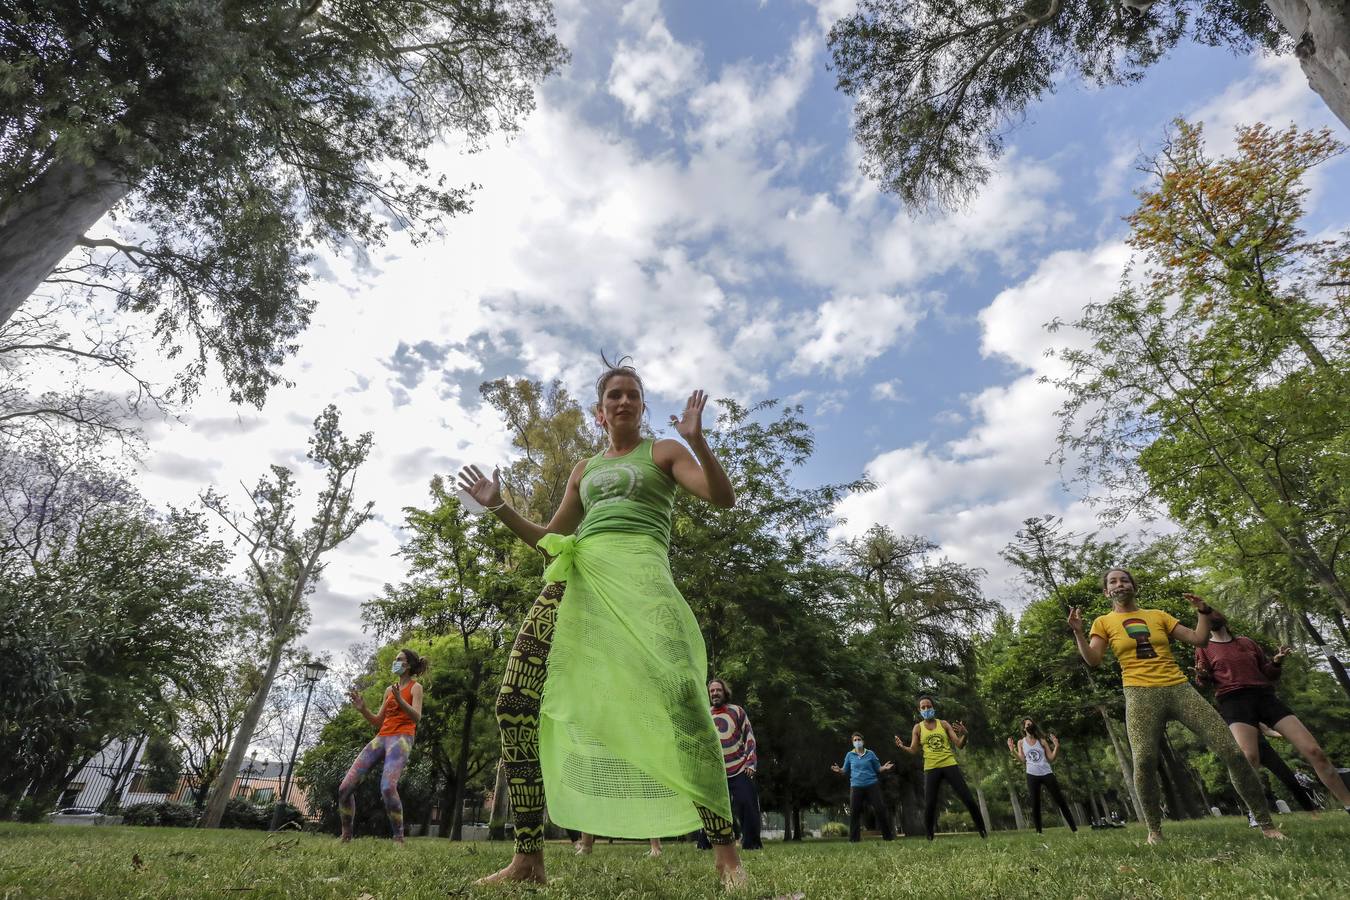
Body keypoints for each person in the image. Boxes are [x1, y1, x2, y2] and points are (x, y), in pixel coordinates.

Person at [458, 360, 744, 888]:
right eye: (614, 395)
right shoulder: (582, 470)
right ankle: (527, 860)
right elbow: (547, 534)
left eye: (632, 394)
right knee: (515, 700)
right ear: (600, 411)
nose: (623, 401)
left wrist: (699, 442)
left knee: (683, 699)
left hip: (641, 581)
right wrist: (498, 506)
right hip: (578, 579)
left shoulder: (664, 451)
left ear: (642, 406)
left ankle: (727, 856)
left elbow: (722, 499)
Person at [1068, 568, 1284, 844]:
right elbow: (1094, 660)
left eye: (1124, 580)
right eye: (1113, 582)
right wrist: (1078, 633)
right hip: (1139, 693)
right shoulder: (1103, 622)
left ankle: (1266, 824)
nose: (1119, 584)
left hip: (1178, 688)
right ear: (1106, 591)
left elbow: (1198, 639)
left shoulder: (1158, 615)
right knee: (1144, 760)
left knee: (1231, 750)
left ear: (1134, 586)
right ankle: (1154, 831)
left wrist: (1203, 613)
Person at [1194, 614, 1350, 816]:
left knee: (1314, 751)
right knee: (1249, 757)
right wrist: (1203, 676)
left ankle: (1347, 803)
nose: (1211, 618)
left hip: (1265, 697)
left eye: (1213, 613)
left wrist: (1276, 662)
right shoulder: (1203, 647)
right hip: (1234, 702)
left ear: (1224, 619)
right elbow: (1203, 682)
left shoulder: (1246, 643)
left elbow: (1268, 673)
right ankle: (1256, 814)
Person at [339, 648, 426, 843]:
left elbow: (417, 717)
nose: (395, 662)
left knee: (387, 787)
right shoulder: (389, 690)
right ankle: (346, 835)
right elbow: (378, 721)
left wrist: (400, 699)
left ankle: (398, 838)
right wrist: (363, 710)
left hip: (402, 738)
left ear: (408, 665)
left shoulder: (415, 687)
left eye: (399, 659)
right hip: (382, 737)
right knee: (345, 788)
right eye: (395, 659)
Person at [894, 696, 987, 840]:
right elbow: (913, 750)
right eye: (923, 707)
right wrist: (902, 747)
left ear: (933, 707)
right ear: (919, 710)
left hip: (949, 764)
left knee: (968, 798)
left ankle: (983, 831)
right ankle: (929, 837)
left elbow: (959, 744)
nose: (926, 709)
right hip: (931, 768)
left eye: (928, 706)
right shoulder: (918, 728)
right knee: (930, 804)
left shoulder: (943, 724)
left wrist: (965, 734)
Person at [697, 678, 763, 851]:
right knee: (710, 808)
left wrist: (750, 763)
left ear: (725, 692)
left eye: (718, 690)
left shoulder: (737, 711)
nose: (715, 693)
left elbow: (749, 737)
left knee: (747, 803)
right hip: (715, 772)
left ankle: (752, 843)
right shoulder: (706, 714)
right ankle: (705, 844)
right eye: (711, 691)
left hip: (739, 767)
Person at [1007, 718, 1077, 834]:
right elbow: (1022, 760)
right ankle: (1039, 832)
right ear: (1024, 728)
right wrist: (1012, 751)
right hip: (1032, 775)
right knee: (1035, 804)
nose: (1030, 725)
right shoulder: (1021, 742)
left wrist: (1057, 746)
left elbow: (1051, 758)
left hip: (1047, 773)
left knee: (1060, 801)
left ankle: (1074, 830)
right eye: (1028, 724)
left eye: (1032, 724)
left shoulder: (1042, 741)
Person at [830, 732, 896, 841]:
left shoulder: (870, 754)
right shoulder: (849, 755)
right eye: (855, 740)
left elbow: (878, 768)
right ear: (852, 743)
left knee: (880, 810)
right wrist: (839, 770)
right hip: (856, 786)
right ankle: (854, 839)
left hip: (872, 785)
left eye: (859, 739)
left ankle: (888, 837)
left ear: (863, 741)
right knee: (855, 812)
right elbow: (845, 770)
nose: (857, 742)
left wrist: (884, 768)